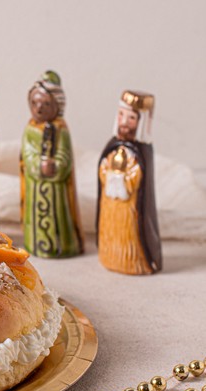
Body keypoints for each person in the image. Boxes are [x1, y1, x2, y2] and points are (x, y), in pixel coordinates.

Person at [97, 90, 162, 274]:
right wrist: (108, 173)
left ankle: (133, 262)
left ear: (141, 121)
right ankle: (110, 256)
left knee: (129, 232)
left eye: (131, 117)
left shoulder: (143, 151)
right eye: (121, 115)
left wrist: (121, 179)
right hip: (110, 206)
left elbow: (139, 178)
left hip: (130, 208)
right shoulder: (112, 146)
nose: (124, 122)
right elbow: (102, 169)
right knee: (110, 229)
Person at [20, 70, 83, 258]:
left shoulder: (61, 129)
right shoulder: (30, 129)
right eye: (34, 103)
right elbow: (27, 154)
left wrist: (56, 165)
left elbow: (65, 154)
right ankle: (35, 243)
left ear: (57, 106)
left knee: (58, 216)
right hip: (35, 186)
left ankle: (62, 246)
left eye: (46, 104)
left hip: (57, 189)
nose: (39, 108)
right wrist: (38, 165)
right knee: (36, 217)